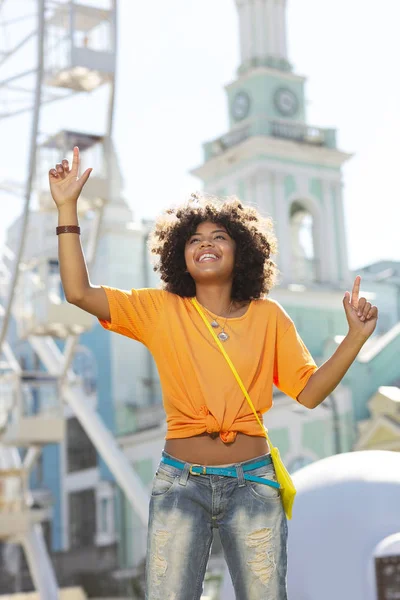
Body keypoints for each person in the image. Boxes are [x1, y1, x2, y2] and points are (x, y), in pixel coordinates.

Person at [49, 147, 378, 600]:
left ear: (241, 250)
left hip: (255, 482)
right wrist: (67, 207)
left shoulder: (270, 317)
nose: (205, 242)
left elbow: (310, 392)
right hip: (179, 481)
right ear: (178, 255)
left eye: (219, 235)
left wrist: (355, 338)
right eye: (194, 238)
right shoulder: (159, 310)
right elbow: (78, 292)